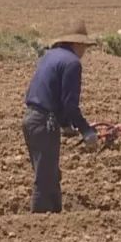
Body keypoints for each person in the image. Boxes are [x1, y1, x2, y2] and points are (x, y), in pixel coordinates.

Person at [22, 22, 99, 214]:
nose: (84, 52)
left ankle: (55, 218)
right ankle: (41, 225)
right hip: (44, 122)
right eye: (84, 48)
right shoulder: (72, 63)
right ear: (77, 45)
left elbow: (54, 95)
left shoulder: (50, 57)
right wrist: (87, 131)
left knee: (50, 174)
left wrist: (64, 125)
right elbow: (70, 105)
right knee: (46, 179)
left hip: (31, 119)